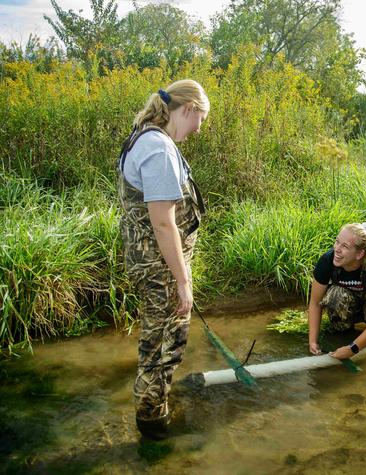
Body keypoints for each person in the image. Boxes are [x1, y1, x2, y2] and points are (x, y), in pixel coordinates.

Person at [116, 79, 209, 439]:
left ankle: (156, 408)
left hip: (153, 264)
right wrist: (183, 282)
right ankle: (153, 426)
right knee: (161, 347)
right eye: (200, 119)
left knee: (160, 341)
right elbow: (162, 222)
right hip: (161, 270)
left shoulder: (146, 137)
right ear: (187, 109)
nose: (199, 129)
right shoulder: (159, 149)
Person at [308, 222, 366, 359]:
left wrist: (352, 349)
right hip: (349, 303)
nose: (337, 249)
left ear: (359, 254)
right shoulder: (327, 261)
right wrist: (313, 341)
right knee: (335, 296)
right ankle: (343, 333)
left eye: (344, 246)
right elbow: (315, 304)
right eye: (337, 242)